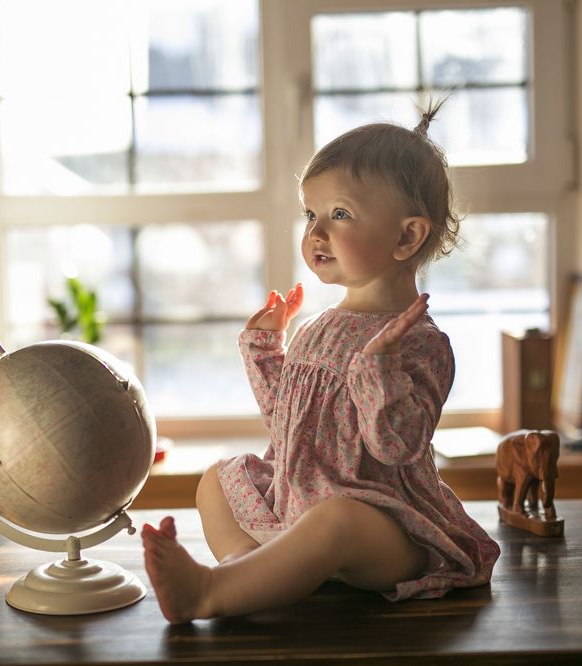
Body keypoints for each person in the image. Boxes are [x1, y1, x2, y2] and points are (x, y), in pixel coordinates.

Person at [141, 102, 501, 624]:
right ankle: (249, 573)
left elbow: (397, 447)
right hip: (298, 504)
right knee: (217, 479)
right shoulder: (317, 329)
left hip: (382, 528)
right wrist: (267, 351)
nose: (316, 232)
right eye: (311, 214)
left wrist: (379, 369)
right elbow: (289, 426)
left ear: (407, 236)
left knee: (335, 522)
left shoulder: (420, 343)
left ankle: (210, 593)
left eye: (340, 214)